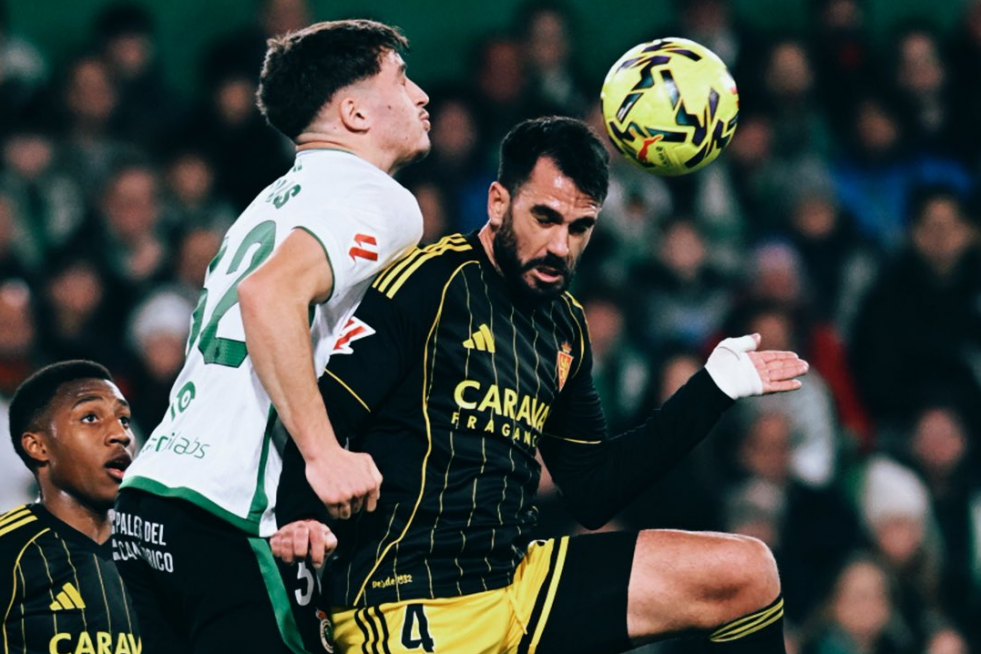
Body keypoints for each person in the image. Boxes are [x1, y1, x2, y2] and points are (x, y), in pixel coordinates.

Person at [275, 117, 809, 653]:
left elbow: (594, 490)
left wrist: (710, 390)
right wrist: (300, 516)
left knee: (747, 572)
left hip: (519, 584)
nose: (560, 246)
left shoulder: (564, 324)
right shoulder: (430, 283)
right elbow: (325, 412)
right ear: (498, 203)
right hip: (408, 596)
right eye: (545, 218)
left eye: (579, 227)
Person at [113, 18, 430, 653]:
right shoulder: (380, 198)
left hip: (149, 498)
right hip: (229, 512)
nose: (421, 94)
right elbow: (269, 296)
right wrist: (323, 454)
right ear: (354, 112)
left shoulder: (269, 201)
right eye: (400, 79)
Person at [1, 360, 141, 654]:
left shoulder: (154, 552)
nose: (121, 434)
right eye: (90, 417)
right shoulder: (9, 548)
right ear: (38, 446)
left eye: (124, 420)